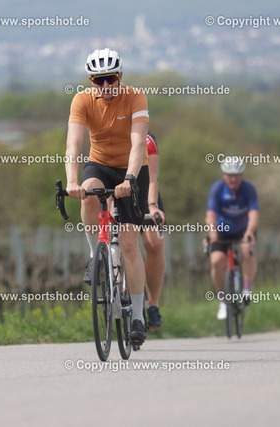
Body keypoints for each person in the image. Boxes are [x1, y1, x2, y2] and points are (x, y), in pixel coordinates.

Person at [64, 48, 150, 345]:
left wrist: (130, 178)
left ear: (120, 76)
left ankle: (137, 316)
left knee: (128, 244)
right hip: (99, 163)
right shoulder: (82, 100)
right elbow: (73, 146)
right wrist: (72, 181)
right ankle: (94, 254)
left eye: (110, 79)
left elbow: (138, 144)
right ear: (91, 81)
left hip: (132, 168)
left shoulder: (136, 97)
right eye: (98, 80)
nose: (105, 85)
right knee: (88, 196)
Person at [206, 158, 259, 321]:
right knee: (216, 260)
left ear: (242, 175)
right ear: (224, 175)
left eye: (237, 175)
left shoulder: (248, 189)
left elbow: (253, 213)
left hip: (243, 229)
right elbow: (211, 214)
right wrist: (212, 234)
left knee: (247, 250)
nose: (233, 179)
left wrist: (250, 232)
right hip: (222, 230)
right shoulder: (217, 188)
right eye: (230, 175)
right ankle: (222, 300)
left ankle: (247, 289)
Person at [142, 131, 166, 329]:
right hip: (116, 191)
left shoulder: (147, 140)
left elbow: (152, 179)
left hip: (144, 193)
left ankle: (153, 305)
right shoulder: (106, 131)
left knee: (155, 244)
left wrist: (152, 206)